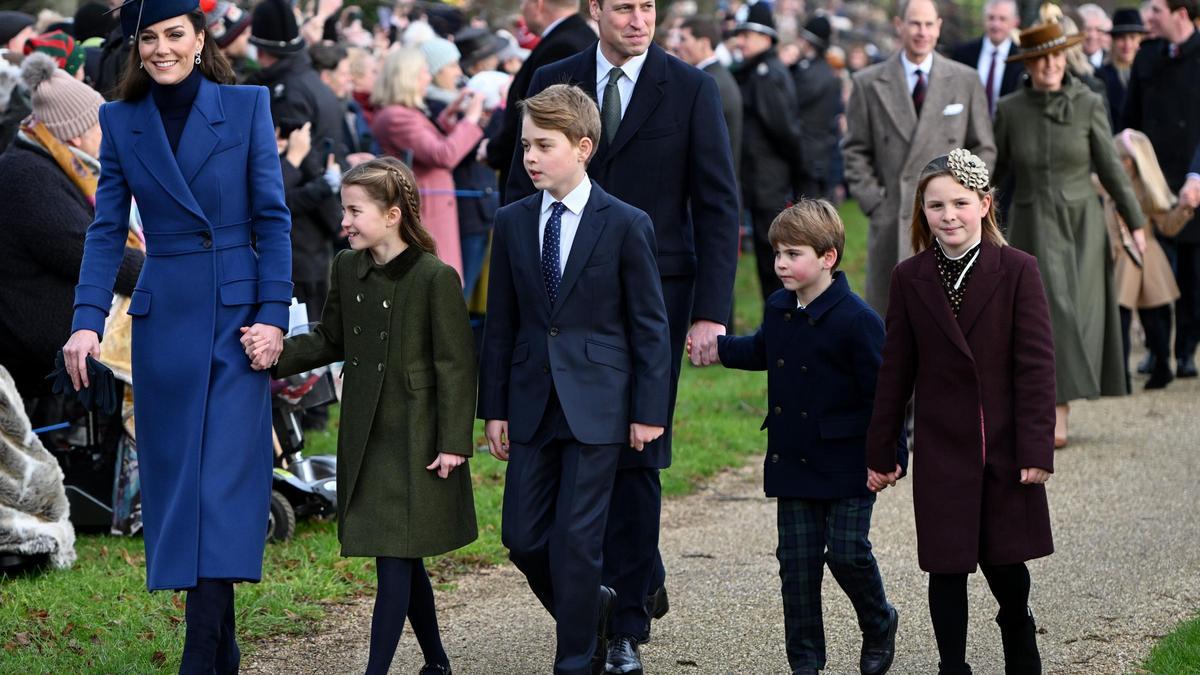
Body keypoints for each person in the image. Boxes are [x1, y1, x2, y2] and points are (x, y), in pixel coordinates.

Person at [505, 0, 740, 667]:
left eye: (649, 7)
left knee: (637, 458)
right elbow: (512, 185)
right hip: (557, 308)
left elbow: (719, 204)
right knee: (559, 459)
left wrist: (710, 311)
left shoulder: (691, 88)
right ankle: (596, 596)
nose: (640, 19)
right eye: (625, 6)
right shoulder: (553, 77)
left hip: (652, 308)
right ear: (594, 10)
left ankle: (627, 623)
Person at [60, 1, 292, 671]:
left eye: (174, 35)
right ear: (136, 47)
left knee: (221, 485)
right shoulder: (120, 120)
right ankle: (219, 642)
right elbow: (106, 231)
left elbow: (272, 220)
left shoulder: (246, 107)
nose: (161, 49)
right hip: (165, 327)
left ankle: (200, 652)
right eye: (150, 39)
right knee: (179, 488)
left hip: (238, 320)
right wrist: (83, 322)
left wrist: (274, 316)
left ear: (199, 38)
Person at [251, 157, 478, 675]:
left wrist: (453, 442)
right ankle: (438, 664)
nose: (344, 222)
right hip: (366, 433)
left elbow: (456, 366)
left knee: (396, 557)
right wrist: (272, 352)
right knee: (398, 553)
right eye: (343, 210)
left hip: (417, 436)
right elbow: (331, 337)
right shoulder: (346, 267)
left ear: (393, 214)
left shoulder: (434, 277)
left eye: (355, 210)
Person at [478, 83, 671, 675]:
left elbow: (650, 326)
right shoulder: (512, 223)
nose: (529, 157)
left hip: (601, 405)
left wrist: (648, 410)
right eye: (525, 145)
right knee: (524, 538)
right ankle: (597, 609)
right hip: (532, 402)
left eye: (543, 145)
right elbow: (501, 324)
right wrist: (495, 409)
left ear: (583, 147)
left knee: (579, 540)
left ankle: (575, 660)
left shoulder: (625, 223)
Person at [866, 149, 1056, 675]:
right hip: (942, 444)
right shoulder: (910, 277)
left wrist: (1037, 448)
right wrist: (882, 449)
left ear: (985, 205)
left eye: (959, 203)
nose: (947, 215)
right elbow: (896, 369)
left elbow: (1036, 367)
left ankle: (1018, 630)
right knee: (945, 567)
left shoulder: (1018, 270)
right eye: (935, 206)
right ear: (921, 213)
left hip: (1002, 442)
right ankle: (954, 666)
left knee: (1004, 563)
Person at [705, 200, 903, 675]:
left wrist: (891, 455)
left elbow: (886, 394)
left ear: (828, 257)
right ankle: (806, 664)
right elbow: (761, 349)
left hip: (850, 459)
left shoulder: (858, 320)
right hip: (793, 458)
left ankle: (879, 621)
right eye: (776, 253)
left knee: (848, 552)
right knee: (796, 569)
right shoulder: (779, 308)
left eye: (793, 254)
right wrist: (718, 349)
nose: (780, 264)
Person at [994, 20, 1147, 448]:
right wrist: (966, 212)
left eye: (1057, 56)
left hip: (1082, 227)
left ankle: (1058, 409)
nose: (1050, 65)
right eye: (1041, 58)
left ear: (1066, 57)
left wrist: (1136, 223)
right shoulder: (1009, 109)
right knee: (1041, 315)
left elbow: (1110, 168)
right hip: (1030, 226)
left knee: (1071, 315)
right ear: (1029, 63)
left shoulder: (1088, 103)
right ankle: (1049, 412)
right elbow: (997, 172)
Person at [0, 53, 143, 401]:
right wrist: (169, 272)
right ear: (75, 136)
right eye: (101, 126)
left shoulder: (51, 161)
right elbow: (86, 253)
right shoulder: (26, 176)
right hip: (39, 342)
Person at [843, 0, 995, 314]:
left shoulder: (965, 80)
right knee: (894, 322)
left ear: (939, 26)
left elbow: (984, 148)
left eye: (928, 24)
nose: (921, 32)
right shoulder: (868, 83)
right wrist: (874, 201)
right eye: (914, 24)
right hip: (894, 222)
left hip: (952, 224)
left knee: (953, 318)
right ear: (899, 25)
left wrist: (967, 199)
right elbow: (855, 149)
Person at [1122, 0, 1200, 379]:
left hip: (1193, 184)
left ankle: (1186, 350)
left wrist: (1197, 177)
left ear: (1180, 13)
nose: (1148, 18)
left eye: (1155, 10)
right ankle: (1157, 352)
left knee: (1193, 276)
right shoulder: (1147, 56)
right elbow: (1130, 118)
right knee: (1151, 272)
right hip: (1151, 188)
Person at [370, 47, 485, 281]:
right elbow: (442, 154)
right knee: (434, 287)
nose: (428, 77)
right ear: (408, 77)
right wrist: (471, 119)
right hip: (427, 212)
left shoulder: (403, 113)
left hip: (432, 209)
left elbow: (432, 145)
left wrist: (449, 116)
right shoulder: (397, 117)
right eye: (423, 72)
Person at [1107, 128, 1192, 389]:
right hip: (1123, 257)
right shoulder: (1108, 183)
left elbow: (1166, 224)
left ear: (1128, 162)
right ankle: (1121, 373)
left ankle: (1162, 364)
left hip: (1146, 256)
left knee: (1155, 317)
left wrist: (1184, 209)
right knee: (1120, 317)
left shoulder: (1147, 189)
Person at [485, 0, 596, 199]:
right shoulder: (579, 36)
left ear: (538, 4)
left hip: (543, 195)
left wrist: (492, 150)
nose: (521, 8)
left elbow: (543, 121)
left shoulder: (562, 46)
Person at [732, 4, 804, 303]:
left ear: (765, 38)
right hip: (758, 181)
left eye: (747, 35)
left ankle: (782, 325)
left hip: (768, 183)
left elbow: (785, 131)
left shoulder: (767, 74)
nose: (740, 41)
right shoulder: (754, 72)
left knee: (774, 264)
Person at [675, 16, 742, 181]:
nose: (677, 46)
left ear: (703, 43)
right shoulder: (714, 77)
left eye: (683, 39)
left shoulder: (710, 83)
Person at [791, 16, 843, 200]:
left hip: (808, 156)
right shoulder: (826, 72)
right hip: (820, 155)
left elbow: (791, 105)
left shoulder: (809, 74)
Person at [950, 0, 1024, 117]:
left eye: (1002, 19)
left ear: (1015, 22)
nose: (996, 25)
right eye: (991, 18)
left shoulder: (1022, 59)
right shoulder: (962, 54)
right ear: (983, 19)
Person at [1097, 9, 1148, 130]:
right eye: (1121, 38)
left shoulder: (1149, 74)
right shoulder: (1101, 75)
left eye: (1132, 37)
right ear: (1113, 41)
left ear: (1140, 40)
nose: (1127, 44)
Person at [1078, 3, 1112, 70]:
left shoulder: (1113, 61)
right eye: (1087, 29)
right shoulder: (1070, 63)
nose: (1093, 35)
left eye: (1098, 30)